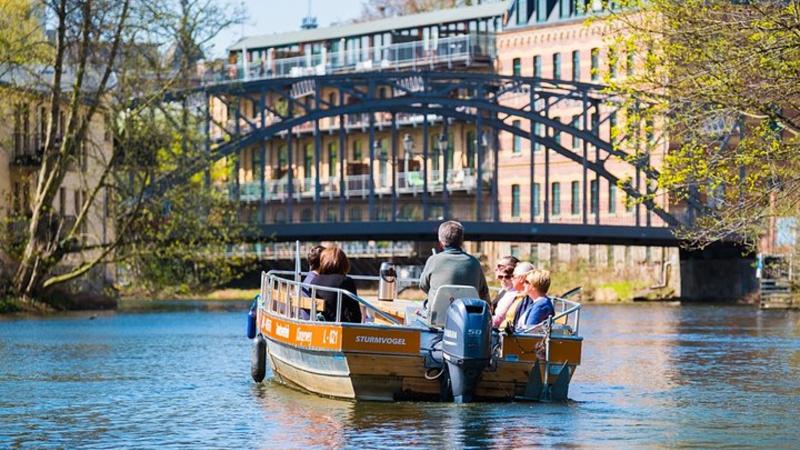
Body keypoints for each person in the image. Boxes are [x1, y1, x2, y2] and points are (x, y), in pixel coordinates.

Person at [419, 221, 490, 305]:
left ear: (440, 242)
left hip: (438, 312)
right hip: (468, 311)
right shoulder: (474, 262)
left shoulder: (433, 260)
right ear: (461, 241)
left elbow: (423, 285)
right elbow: (483, 291)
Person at [311, 247, 362, 323]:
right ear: (344, 263)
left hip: (319, 324)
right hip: (340, 326)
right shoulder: (346, 281)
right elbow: (356, 315)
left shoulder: (314, 281)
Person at [492, 261, 534, 328]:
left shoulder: (528, 298)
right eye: (501, 277)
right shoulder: (518, 296)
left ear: (521, 278)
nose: (512, 279)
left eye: (513, 276)